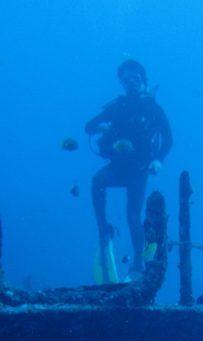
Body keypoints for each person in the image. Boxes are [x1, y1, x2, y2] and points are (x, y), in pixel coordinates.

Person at [85, 59, 173, 282]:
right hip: (117, 166)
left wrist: (158, 160)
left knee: (132, 216)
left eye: (134, 78)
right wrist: (100, 126)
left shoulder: (153, 107)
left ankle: (137, 264)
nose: (130, 83)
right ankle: (104, 231)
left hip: (139, 169)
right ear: (121, 83)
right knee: (97, 181)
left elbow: (169, 139)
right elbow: (89, 126)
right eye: (125, 80)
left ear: (143, 80)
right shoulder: (117, 106)